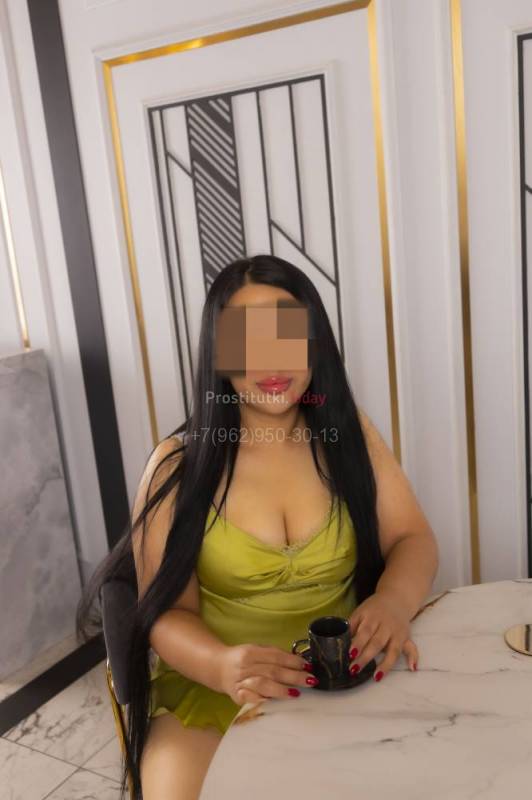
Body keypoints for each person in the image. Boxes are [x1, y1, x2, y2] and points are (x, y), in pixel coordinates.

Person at [76, 254, 439, 800]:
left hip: (342, 678)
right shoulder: (176, 467)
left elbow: (413, 539)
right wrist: (222, 665)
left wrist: (392, 601)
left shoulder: (350, 438)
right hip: (217, 687)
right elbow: (166, 616)